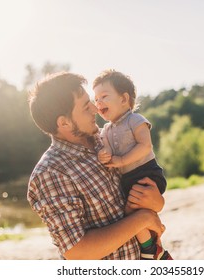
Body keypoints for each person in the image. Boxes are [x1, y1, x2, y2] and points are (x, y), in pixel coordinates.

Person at [27, 71, 166, 260]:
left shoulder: (107, 139)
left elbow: (146, 194)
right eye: (86, 107)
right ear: (64, 123)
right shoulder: (51, 172)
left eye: (91, 101)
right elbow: (78, 252)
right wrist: (143, 219)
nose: (95, 108)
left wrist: (156, 201)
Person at [93, 69, 173, 260]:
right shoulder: (105, 130)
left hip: (146, 173)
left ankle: (149, 248)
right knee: (132, 215)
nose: (98, 103)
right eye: (95, 99)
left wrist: (120, 161)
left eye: (104, 96)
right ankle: (152, 248)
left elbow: (145, 146)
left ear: (124, 99)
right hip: (128, 178)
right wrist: (105, 156)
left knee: (133, 212)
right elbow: (107, 151)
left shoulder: (135, 120)